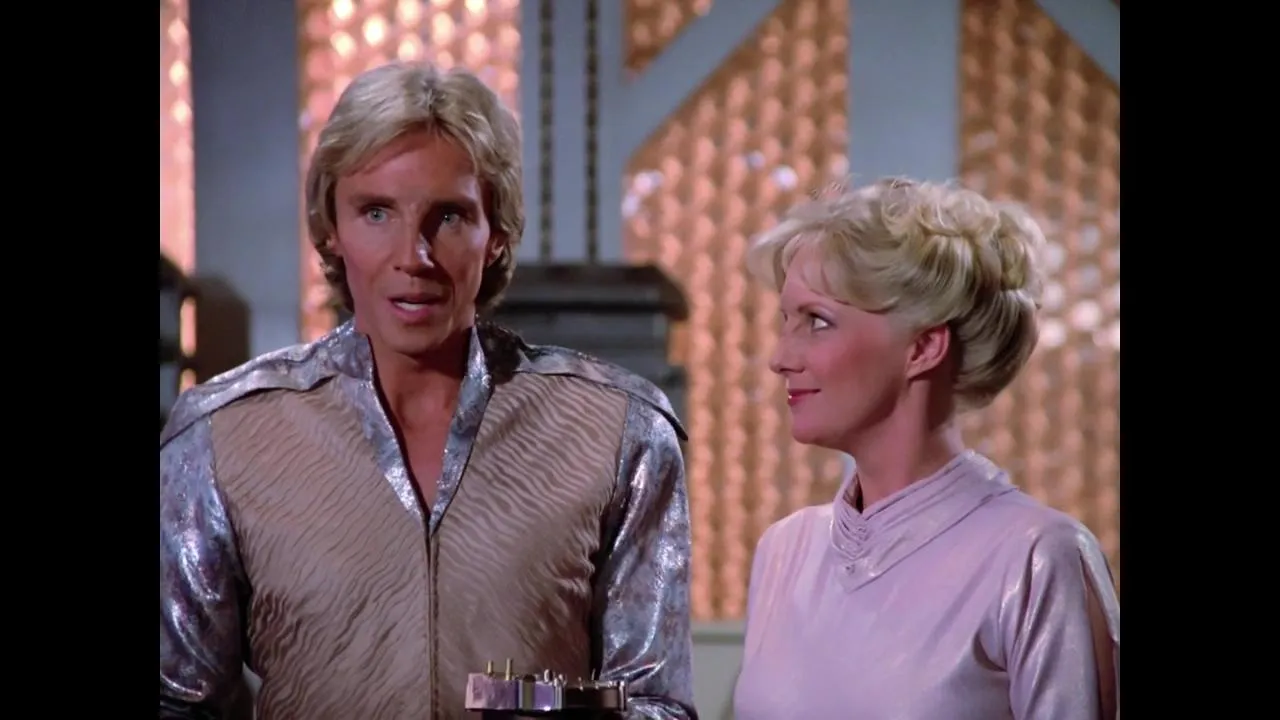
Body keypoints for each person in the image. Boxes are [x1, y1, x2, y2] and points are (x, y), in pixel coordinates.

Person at [159, 61, 697, 720]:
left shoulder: (618, 432)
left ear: (496, 235)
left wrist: (542, 704)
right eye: (376, 212)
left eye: (449, 216)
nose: (413, 255)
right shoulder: (222, 436)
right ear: (330, 229)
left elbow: (656, 705)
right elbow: (178, 704)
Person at [732, 178, 1119, 719]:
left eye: (816, 321)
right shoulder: (785, 549)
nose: (780, 358)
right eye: (785, 320)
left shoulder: (1035, 556)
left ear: (923, 347)